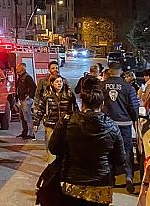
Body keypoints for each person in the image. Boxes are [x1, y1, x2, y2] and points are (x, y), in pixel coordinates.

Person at [49, 77, 126, 206]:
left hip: (72, 184)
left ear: (81, 102)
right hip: (101, 186)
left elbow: (53, 148)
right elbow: (120, 159)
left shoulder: (68, 121)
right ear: (102, 104)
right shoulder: (112, 126)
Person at [102, 62, 139, 194]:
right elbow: (133, 107)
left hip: (107, 124)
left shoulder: (102, 86)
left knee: (108, 151)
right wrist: (134, 118)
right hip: (124, 124)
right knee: (127, 150)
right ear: (121, 72)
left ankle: (111, 179)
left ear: (109, 72)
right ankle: (128, 176)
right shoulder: (128, 87)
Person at [34, 75, 78, 163]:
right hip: (51, 125)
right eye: (57, 82)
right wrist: (36, 122)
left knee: (65, 146)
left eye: (60, 81)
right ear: (52, 83)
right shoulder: (47, 94)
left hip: (65, 125)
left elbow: (75, 108)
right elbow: (41, 109)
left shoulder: (69, 94)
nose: (59, 84)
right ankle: (52, 167)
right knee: (51, 147)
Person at [15, 62, 37, 140]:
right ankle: (25, 132)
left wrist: (29, 96)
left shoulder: (27, 77)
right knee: (22, 118)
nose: (16, 68)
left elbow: (34, 87)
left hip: (26, 101)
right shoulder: (20, 77)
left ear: (22, 68)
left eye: (18, 67)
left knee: (28, 118)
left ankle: (31, 134)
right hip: (21, 100)